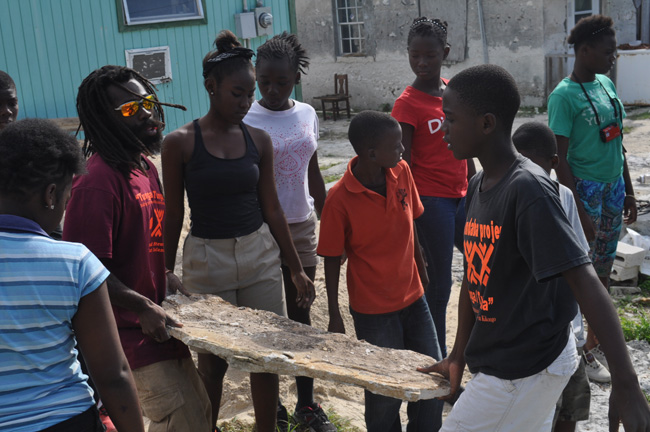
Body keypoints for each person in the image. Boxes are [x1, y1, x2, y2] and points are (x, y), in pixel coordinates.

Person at [418, 63, 650, 431]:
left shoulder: (527, 190)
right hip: (504, 361)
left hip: (525, 368)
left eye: (450, 118)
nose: (442, 129)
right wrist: (457, 354)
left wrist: (626, 383)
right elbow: (474, 280)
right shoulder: (479, 185)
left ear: (486, 123)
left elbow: (584, 279)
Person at [162, 30, 316, 432]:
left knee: (264, 359)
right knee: (212, 363)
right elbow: (173, 215)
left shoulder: (258, 140)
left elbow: (272, 208)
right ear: (211, 88)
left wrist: (295, 267)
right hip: (205, 261)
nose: (247, 103)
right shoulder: (179, 143)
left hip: (258, 257)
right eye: (238, 94)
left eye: (250, 94)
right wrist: (163, 269)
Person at [63, 65, 212, 432]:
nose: (147, 113)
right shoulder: (96, 182)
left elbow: (133, 247)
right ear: (104, 119)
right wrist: (141, 304)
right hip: (128, 337)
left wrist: (162, 276)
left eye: (147, 101)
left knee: (200, 413)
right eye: (130, 110)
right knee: (186, 421)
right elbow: (84, 269)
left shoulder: (144, 166)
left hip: (158, 327)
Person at [0, 118, 144, 432]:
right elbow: (112, 374)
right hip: (66, 421)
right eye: (67, 197)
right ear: (51, 194)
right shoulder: (74, 262)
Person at [318, 111, 443, 432]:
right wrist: (334, 312)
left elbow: (411, 220)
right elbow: (332, 258)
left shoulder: (401, 172)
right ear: (371, 153)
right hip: (374, 312)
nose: (403, 150)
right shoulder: (339, 199)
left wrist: (421, 262)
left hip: (414, 298)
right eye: (396, 145)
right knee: (385, 393)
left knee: (432, 381)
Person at [243, 32, 333, 431]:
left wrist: (328, 213)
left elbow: (312, 170)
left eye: (282, 82)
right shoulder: (245, 118)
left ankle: (306, 406)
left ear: (296, 77)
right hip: (259, 230)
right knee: (264, 319)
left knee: (301, 314)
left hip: (301, 225)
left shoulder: (307, 113)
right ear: (255, 76)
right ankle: (272, 405)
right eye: (265, 81)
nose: (273, 89)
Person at [548, 15, 636, 383]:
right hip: (584, 190)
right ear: (584, 51)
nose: (612, 58)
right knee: (581, 271)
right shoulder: (563, 96)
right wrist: (578, 208)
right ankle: (579, 347)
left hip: (612, 185)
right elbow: (559, 157)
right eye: (608, 52)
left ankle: (596, 341)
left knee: (602, 267)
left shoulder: (605, 84)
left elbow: (617, 140)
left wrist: (628, 187)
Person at [391, 17, 476, 357]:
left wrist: (476, 183)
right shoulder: (407, 103)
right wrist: (410, 220)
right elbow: (402, 166)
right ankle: (439, 362)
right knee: (439, 287)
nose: (422, 63)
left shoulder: (453, 91)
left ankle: (479, 350)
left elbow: (466, 145)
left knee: (485, 267)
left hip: (463, 197)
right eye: (415, 56)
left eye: (430, 55)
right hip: (431, 203)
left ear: (446, 52)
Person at [512, 122, 591, 432]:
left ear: (554, 164)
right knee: (532, 415)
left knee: (570, 408)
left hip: (567, 332)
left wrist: (588, 326)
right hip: (528, 337)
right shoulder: (509, 194)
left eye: (536, 165)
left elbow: (580, 266)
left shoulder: (563, 197)